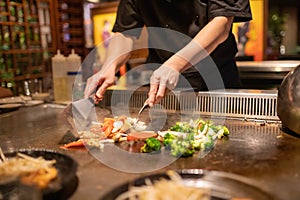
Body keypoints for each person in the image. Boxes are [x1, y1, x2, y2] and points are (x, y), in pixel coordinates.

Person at [84, 0, 252, 107]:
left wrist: (175, 64)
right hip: (163, 85)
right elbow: (126, 32)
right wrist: (109, 66)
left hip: (216, 82)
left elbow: (221, 23)